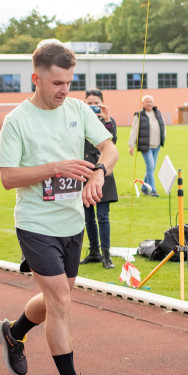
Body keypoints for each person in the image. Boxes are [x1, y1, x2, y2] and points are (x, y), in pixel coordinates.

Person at [0, 40, 119, 375]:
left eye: (69, 82)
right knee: (61, 302)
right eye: (57, 83)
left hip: (71, 222)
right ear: (37, 78)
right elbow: (7, 177)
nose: (64, 90)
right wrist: (56, 168)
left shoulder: (78, 109)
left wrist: (98, 172)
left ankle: (13, 333)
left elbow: (109, 147)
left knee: (57, 297)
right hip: (35, 224)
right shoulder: (16, 120)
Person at [79, 88, 119, 269]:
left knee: (103, 217)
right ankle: (94, 251)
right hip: (84, 173)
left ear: (102, 103)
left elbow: (113, 143)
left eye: (96, 103)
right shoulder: (79, 120)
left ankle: (106, 255)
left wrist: (107, 119)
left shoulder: (109, 121)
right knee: (88, 218)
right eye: (90, 103)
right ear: (84, 103)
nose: (93, 107)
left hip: (103, 174)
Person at [128, 94, 165, 197]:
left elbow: (163, 126)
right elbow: (134, 131)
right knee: (150, 166)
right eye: (148, 102)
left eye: (151, 102)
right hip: (146, 146)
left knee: (151, 167)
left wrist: (164, 136)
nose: (150, 104)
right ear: (143, 103)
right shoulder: (139, 115)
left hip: (156, 145)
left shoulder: (157, 113)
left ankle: (144, 187)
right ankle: (153, 190)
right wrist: (131, 145)